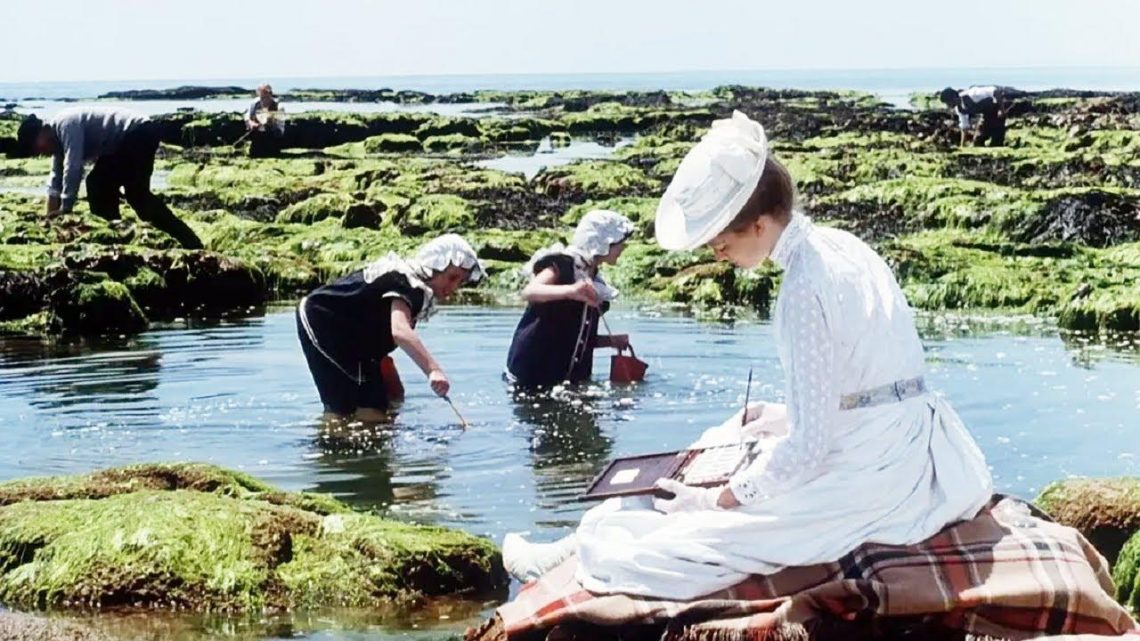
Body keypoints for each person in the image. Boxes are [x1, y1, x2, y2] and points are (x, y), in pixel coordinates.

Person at [502, 111, 993, 601]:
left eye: (722, 241)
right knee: (736, 432)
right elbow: (874, 381)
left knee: (678, 543)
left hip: (873, 469)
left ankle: (579, 547)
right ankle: (574, 541)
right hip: (903, 437)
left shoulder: (802, 291)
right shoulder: (843, 245)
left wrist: (720, 500)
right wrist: (781, 416)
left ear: (759, 225)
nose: (718, 254)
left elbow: (808, 449)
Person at [296, 234, 485, 420]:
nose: (453, 288)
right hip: (322, 320)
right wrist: (433, 370)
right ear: (435, 265)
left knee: (377, 404)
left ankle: (371, 441)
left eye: (460, 282)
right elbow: (400, 331)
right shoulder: (408, 283)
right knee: (342, 406)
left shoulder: (416, 290)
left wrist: (382, 363)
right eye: (452, 277)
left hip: (356, 341)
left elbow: (374, 321)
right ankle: (334, 442)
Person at [14, 107, 203, 249]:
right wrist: (50, 222)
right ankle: (116, 235)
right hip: (127, 140)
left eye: (36, 147)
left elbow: (73, 167)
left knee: (115, 188)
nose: (39, 153)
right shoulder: (57, 144)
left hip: (139, 132)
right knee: (119, 190)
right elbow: (55, 181)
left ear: (43, 130)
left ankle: (188, 242)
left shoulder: (66, 125)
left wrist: (66, 210)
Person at [504, 210, 635, 387]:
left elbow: (573, 336)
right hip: (532, 372)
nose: (623, 248)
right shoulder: (564, 265)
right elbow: (530, 291)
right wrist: (571, 290)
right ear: (604, 242)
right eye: (620, 243)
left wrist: (611, 342)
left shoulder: (594, 279)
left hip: (563, 377)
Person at [939, 85, 1008, 147]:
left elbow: (995, 91)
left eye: (948, 103)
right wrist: (962, 145)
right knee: (977, 141)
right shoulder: (959, 109)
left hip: (997, 114)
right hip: (985, 116)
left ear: (954, 98)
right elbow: (964, 127)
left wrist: (1001, 110)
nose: (948, 106)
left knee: (997, 142)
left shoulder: (973, 94)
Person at [245, 83, 284, 158]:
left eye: (266, 96)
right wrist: (252, 123)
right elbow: (247, 117)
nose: (263, 100)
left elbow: (279, 128)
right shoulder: (254, 104)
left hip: (274, 135)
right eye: (262, 97)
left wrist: (269, 122)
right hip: (257, 135)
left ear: (270, 94)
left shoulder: (279, 106)